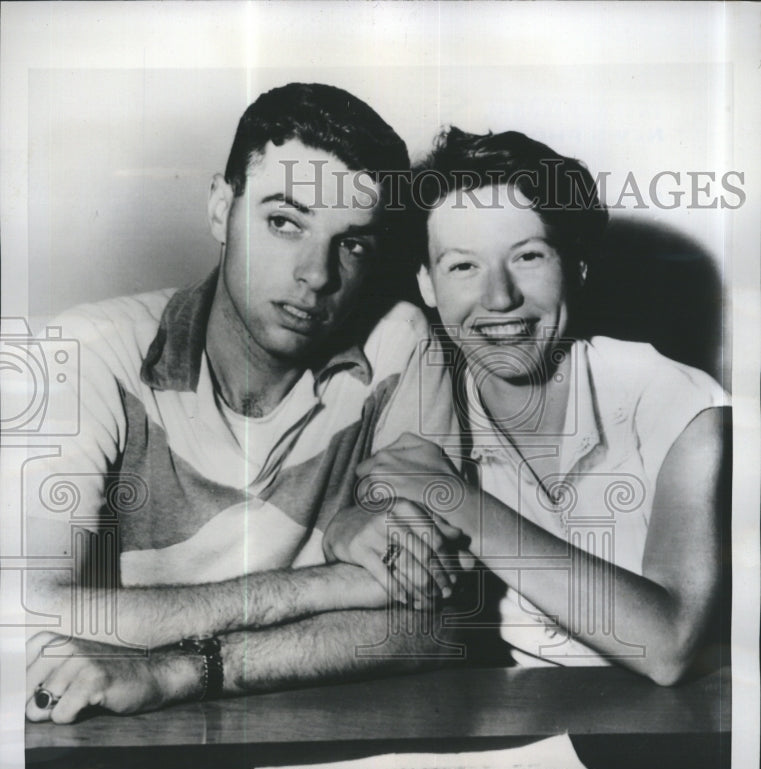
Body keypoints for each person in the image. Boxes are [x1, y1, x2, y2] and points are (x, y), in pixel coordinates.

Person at [22, 83, 461, 724]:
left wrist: (179, 670)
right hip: (107, 746)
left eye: (353, 243)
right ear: (219, 208)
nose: (317, 274)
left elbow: (434, 629)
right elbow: (24, 616)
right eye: (284, 222)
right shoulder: (86, 353)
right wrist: (331, 584)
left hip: (318, 739)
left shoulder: (399, 347)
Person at [344, 127, 729, 686]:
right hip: (517, 732)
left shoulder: (680, 405)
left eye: (527, 256)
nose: (499, 298)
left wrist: (459, 502)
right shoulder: (421, 403)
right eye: (462, 267)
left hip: (678, 737)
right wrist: (347, 528)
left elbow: (668, 643)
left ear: (577, 266)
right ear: (427, 285)